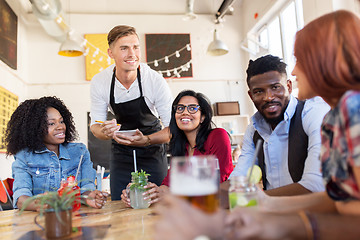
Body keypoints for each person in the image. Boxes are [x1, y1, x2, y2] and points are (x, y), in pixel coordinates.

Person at [154, 10, 360, 240]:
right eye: (259, 91)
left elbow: (319, 189)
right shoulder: (335, 117)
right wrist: (261, 204)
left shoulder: (341, 111)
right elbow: (341, 200)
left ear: (324, 62)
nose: (294, 70)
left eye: (300, 60)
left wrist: (274, 220)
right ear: (250, 95)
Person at [89, 25, 172, 200]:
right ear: (110, 53)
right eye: (124, 48)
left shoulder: (155, 81)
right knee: (120, 202)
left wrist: (147, 140)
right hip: (121, 153)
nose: (132, 54)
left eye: (135, 47)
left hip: (152, 150)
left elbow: (173, 129)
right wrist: (105, 132)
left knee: (155, 201)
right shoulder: (100, 82)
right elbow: (95, 126)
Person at [228, 55, 330, 196]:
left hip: (314, 216)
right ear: (251, 96)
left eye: (275, 87)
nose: (268, 97)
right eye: (259, 91)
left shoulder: (312, 113)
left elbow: (315, 185)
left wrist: (255, 199)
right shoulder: (254, 129)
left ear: (288, 86)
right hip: (273, 214)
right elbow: (238, 179)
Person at [121, 90, 234, 206]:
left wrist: (171, 194)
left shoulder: (218, 136)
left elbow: (216, 182)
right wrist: (148, 192)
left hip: (220, 209)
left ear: (202, 117)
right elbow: (168, 184)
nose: (185, 112)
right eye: (180, 108)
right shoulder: (180, 146)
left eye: (192, 108)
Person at [6, 96, 108, 211]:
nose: (60, 127)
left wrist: (90, 197)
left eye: (61, 121)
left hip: (75, 218)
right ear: (34, 128)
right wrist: (41, 204)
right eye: (51, 123)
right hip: (39, 221)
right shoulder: (24, 156)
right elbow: (21, 198)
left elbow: (86, 188)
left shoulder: (80, 152)